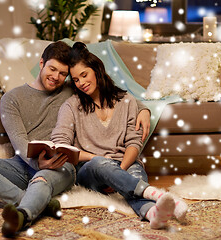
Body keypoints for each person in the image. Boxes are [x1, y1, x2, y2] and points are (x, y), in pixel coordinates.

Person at [0, 41, 151, 237]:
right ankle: (34, 201)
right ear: (41, 63)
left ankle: (24, 213)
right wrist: (37, 162)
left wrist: (143, 109)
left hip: (60, 164)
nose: (56, 77)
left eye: (62, 74)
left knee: (43, 177)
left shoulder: (70, 89)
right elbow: (19, 143)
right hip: (23, 163)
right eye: (52, 69)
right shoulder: (11, 99)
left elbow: (108, 90)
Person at [51, 42, 188, 229]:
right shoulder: (71, 106)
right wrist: (99, 161)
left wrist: (119, 172)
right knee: (100, 164)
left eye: (84, 75)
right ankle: (158, 195)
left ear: (97, 70)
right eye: (75, 80)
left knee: (135, 172)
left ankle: (151, 212)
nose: (81, 83)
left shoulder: (127, 101)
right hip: (90, 169)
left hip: (124, 163)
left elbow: (134, 143)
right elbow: (62, 146)